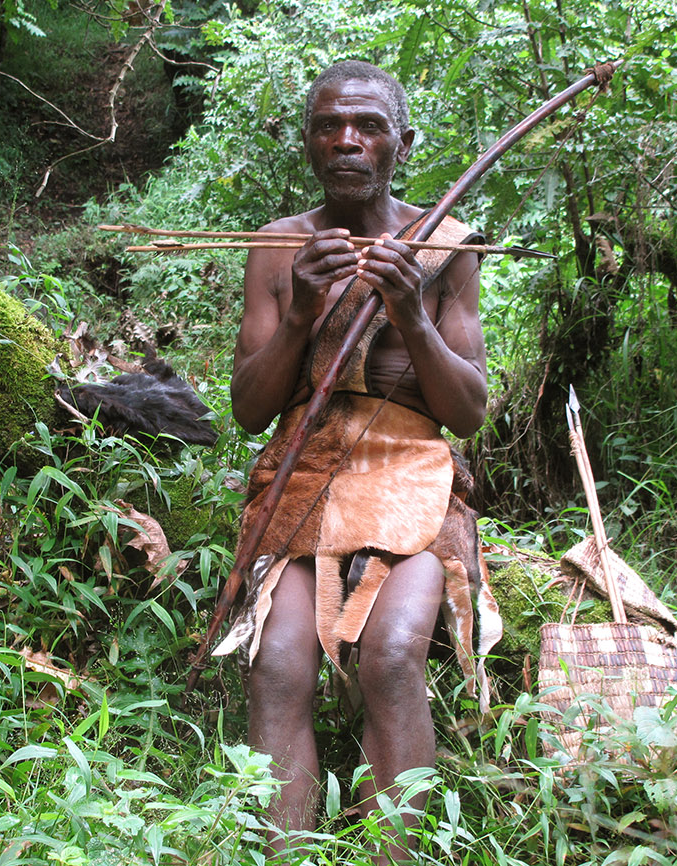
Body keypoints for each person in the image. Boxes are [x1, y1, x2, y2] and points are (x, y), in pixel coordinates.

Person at [212, 60, 502, 862]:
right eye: (328, 125)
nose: (347, 141)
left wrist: (412, 311)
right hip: (307, 478)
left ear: (401, 143)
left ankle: (394, 853)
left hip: (413, 478)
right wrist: (302, 311)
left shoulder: (444, 247)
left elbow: (467, 412)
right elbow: (248, 410)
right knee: (274, 664)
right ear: (307, 141)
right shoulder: (277, 248)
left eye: (369, 126)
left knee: (396, 651)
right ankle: (286, 851)